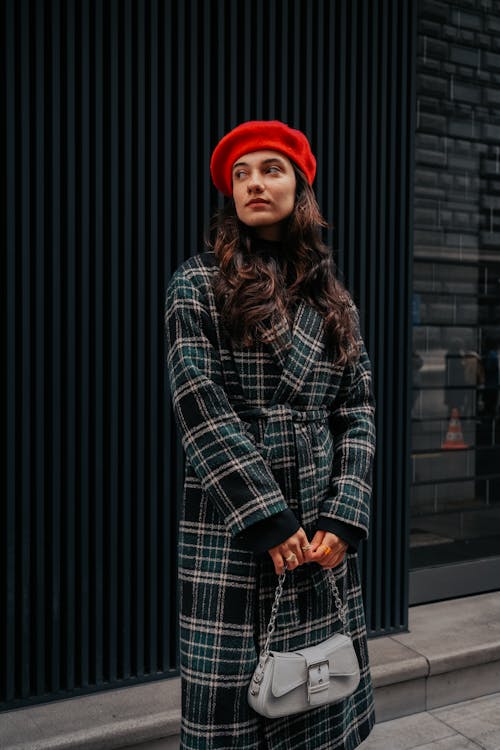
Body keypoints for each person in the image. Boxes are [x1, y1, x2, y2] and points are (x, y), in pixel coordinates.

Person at [165, 120, 376, 750]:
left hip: (318, 529)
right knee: (235, 710)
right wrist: (268, 520)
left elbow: (358, 409)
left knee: (318, 689)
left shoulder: (334, 300)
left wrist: (345, 514)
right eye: (240, 174)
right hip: (237, 525)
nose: (254, 183)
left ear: (300, 185)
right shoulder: (197, 284)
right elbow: (200, 406)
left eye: (271, 169)